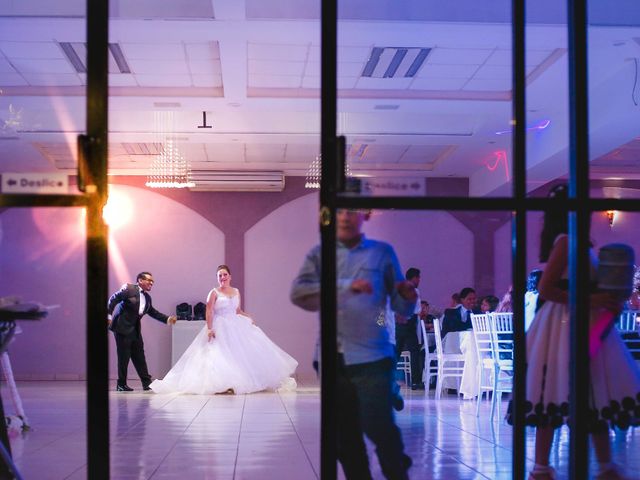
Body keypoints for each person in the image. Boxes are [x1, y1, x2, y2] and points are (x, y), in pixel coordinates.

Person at [512, 184, 640, 480]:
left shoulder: (579, 243)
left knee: (588, 390)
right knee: (560, 389)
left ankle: (601, 465)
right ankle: (544, 466)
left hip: (583, 320)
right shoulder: (567, 241)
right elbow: (545, 287)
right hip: (566, 322)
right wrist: (592, 299)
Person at [290, 208, 417, 480]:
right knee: (344, 435)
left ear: (366, 215)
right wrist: (347, 286)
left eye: (352, 210)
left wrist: (408, 296)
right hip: (331, 356)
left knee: (378, 424)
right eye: (340, 210)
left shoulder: (382, 252)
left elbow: (400, 306)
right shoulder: (319, 254)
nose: (345, 216)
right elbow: (299, 294)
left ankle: (397, 472)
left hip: (373, 355)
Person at [151, 265, 297, 394]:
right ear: (217, 278)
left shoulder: (236, 291)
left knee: (240, 353)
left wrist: (248, 316)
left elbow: (237, 310)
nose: (222, 277)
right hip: (220, 324)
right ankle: (223, 384)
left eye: (224, 274)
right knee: (219, 354)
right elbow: (209, 311)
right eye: (219, 275)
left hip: (235, 324)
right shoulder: (214, 292)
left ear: (230, 276)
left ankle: (237, 382)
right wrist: (209, 328)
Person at [107, 272, 177, 392]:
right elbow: (113, 299)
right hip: (122, 328)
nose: (151, 283)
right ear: (140, 280)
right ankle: (121, 384)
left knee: (139, 356)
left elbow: (153, 312)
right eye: (149, 280)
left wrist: (167, 319)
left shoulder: (147, 298)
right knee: (124, 357)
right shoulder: (129, 289)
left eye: (152, 282)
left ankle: (146, 383)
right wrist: (108, 316)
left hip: (134, 329)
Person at [395, 267, 424, 390]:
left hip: (398, 323)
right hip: (409, 323)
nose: (419, 280)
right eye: (418, 277)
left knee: (396, 352)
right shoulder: (414, 291)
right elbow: (417, 310)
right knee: (415, 352)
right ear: (414, 278)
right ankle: (416, 381)